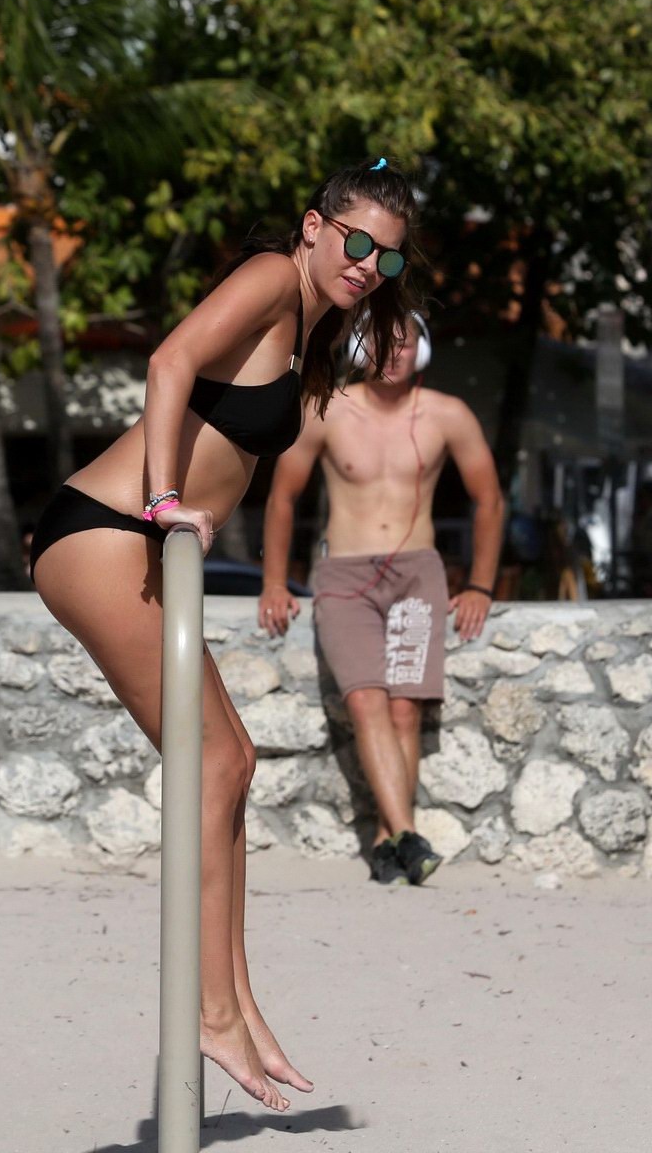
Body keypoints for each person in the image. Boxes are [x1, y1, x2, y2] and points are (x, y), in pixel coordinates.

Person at [28, 160, 424, 1111]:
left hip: (140, 543)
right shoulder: (269, 280)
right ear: (316, 227)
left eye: (390, 259)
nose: (369, 266)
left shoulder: (313, 324)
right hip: (107, 532)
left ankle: (234, 1003)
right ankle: (210, 1011)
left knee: (231, 762)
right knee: (213, 766)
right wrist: (166, 503)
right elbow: (168, 362)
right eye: (358, 242)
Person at [256, 311, 504, 886]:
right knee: (366, 701)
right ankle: (409, 835)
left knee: (404, 710)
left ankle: (388, 842)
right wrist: (274, 580)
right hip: (344, 579)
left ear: (422, 348)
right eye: (383, 341)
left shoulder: (448, 415)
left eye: (406, 340)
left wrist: (481, 585)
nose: (394, 351)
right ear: (363, 347)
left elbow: (488, 500)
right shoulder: (326, 409)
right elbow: (282, 498)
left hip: (419, 575)